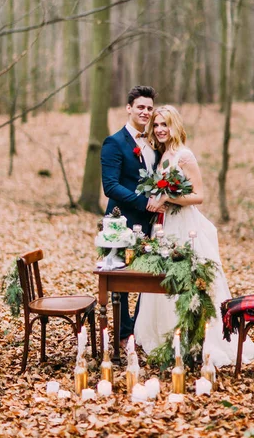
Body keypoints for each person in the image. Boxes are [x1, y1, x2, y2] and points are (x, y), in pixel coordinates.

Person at [134, 105, 254, 367]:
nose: (159, 130)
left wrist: (169, 197)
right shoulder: (163, 155)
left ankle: (198, 338)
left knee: (191, 281)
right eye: (156, 125)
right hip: (166, 226)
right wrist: (158, 200)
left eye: (164, 124)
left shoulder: (184, 155)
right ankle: (170, 339)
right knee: (165, 282)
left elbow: (198, 196)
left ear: (174, 125)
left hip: (186, 226)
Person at [101, 85, 162, 342]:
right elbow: (110, 186)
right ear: (129, 109)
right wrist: (144, 202)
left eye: (149, 108)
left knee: (147, 279)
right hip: (121, 223)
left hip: (151, 223)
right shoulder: (114, 143)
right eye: (141, 107)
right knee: (122, 286)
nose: (146, 112)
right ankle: (124, 334)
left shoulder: (155, 143)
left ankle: (140, 330)